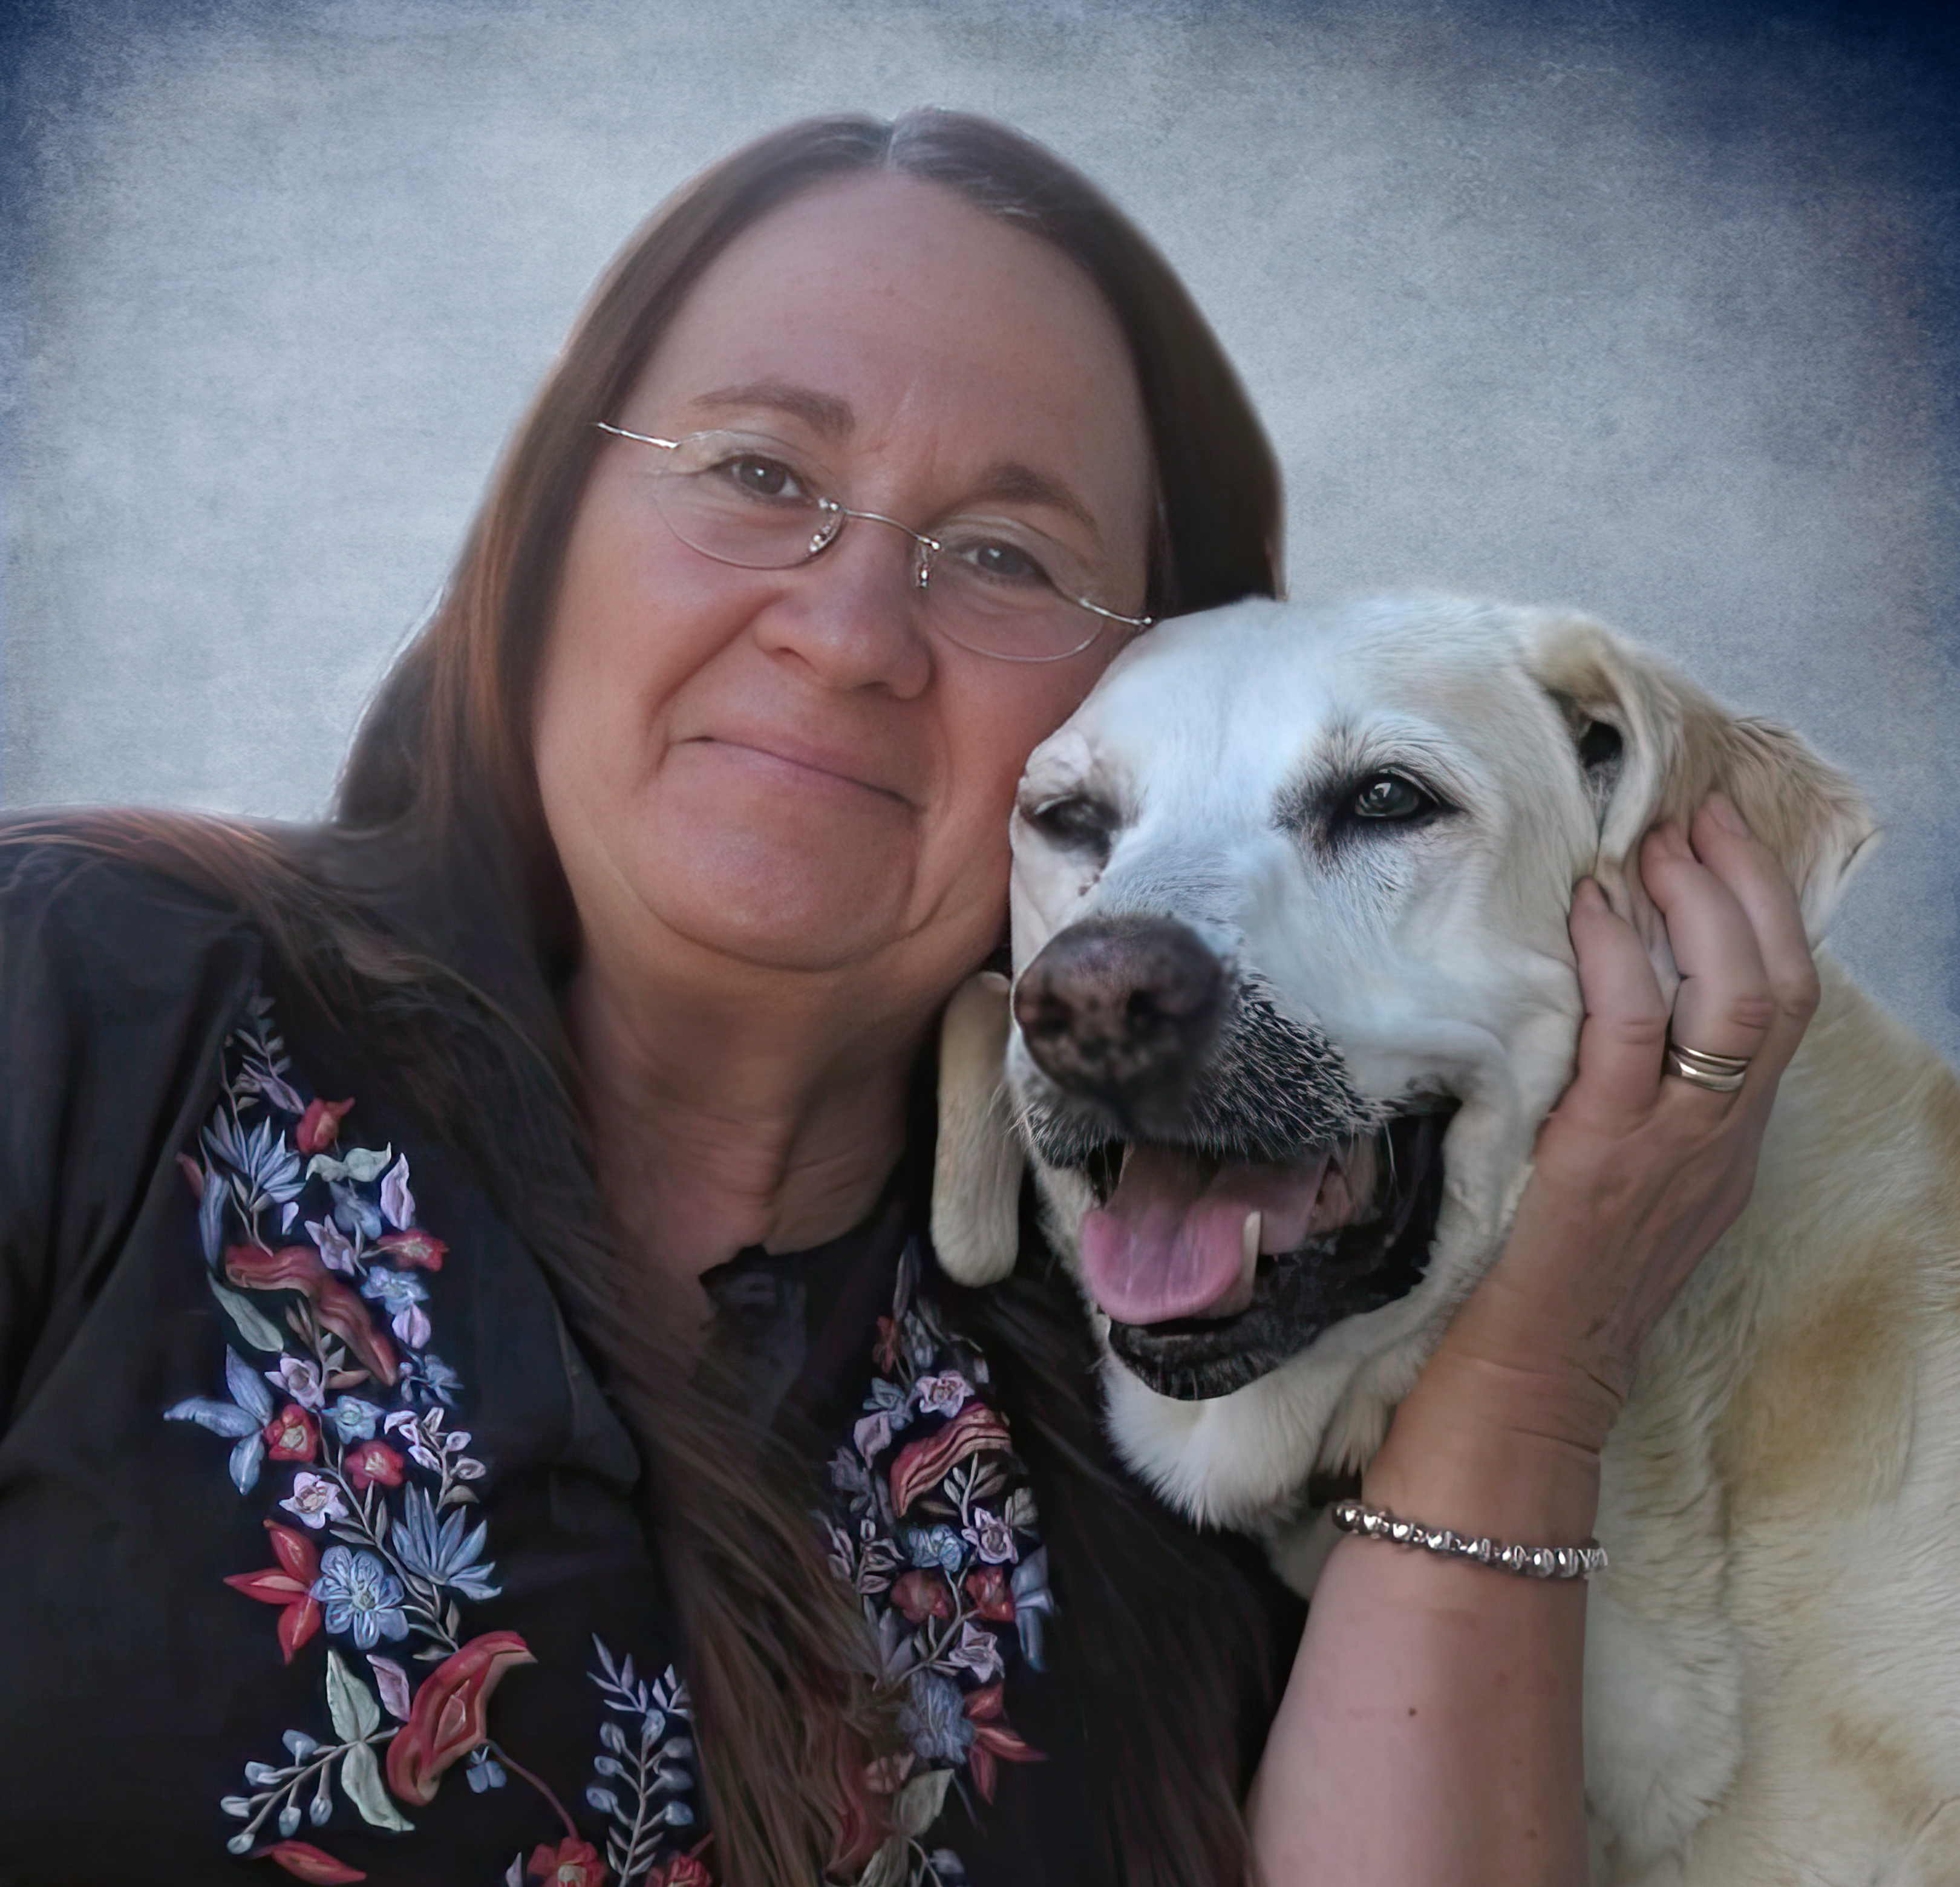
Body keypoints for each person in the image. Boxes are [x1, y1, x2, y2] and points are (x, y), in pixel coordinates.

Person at [0, 110, 1815, 1887]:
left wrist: (1538, 1368)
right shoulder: (84, 992)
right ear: (546, 529)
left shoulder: (1183, 1389)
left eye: (1008, 557)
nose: (851, 629)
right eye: (757, 475)